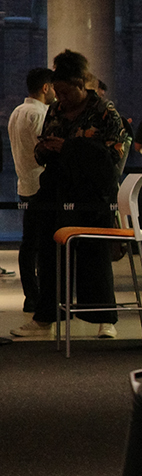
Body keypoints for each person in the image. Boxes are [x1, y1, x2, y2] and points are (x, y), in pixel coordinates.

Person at [16, 50, 130, 339]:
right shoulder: (54, 111)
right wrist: (45, 149)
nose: (61, 98)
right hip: (56, 192)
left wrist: (68, 147)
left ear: (82, 84)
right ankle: (45, 317)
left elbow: (111, 160)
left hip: (92, 196)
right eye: (57, 92)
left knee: (95, 256)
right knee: (49, 255)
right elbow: (41, 149)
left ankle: (105, 319)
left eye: (66, 92)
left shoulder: (105, 112)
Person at [8, 67, 54, 321]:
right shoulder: (40, 114)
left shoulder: (16, 112)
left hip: (24, 184)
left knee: (29, 244)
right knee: (43, 245)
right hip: (41, 185)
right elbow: (45, 150)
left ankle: (31, 296)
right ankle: (41, 296)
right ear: (46, 87)